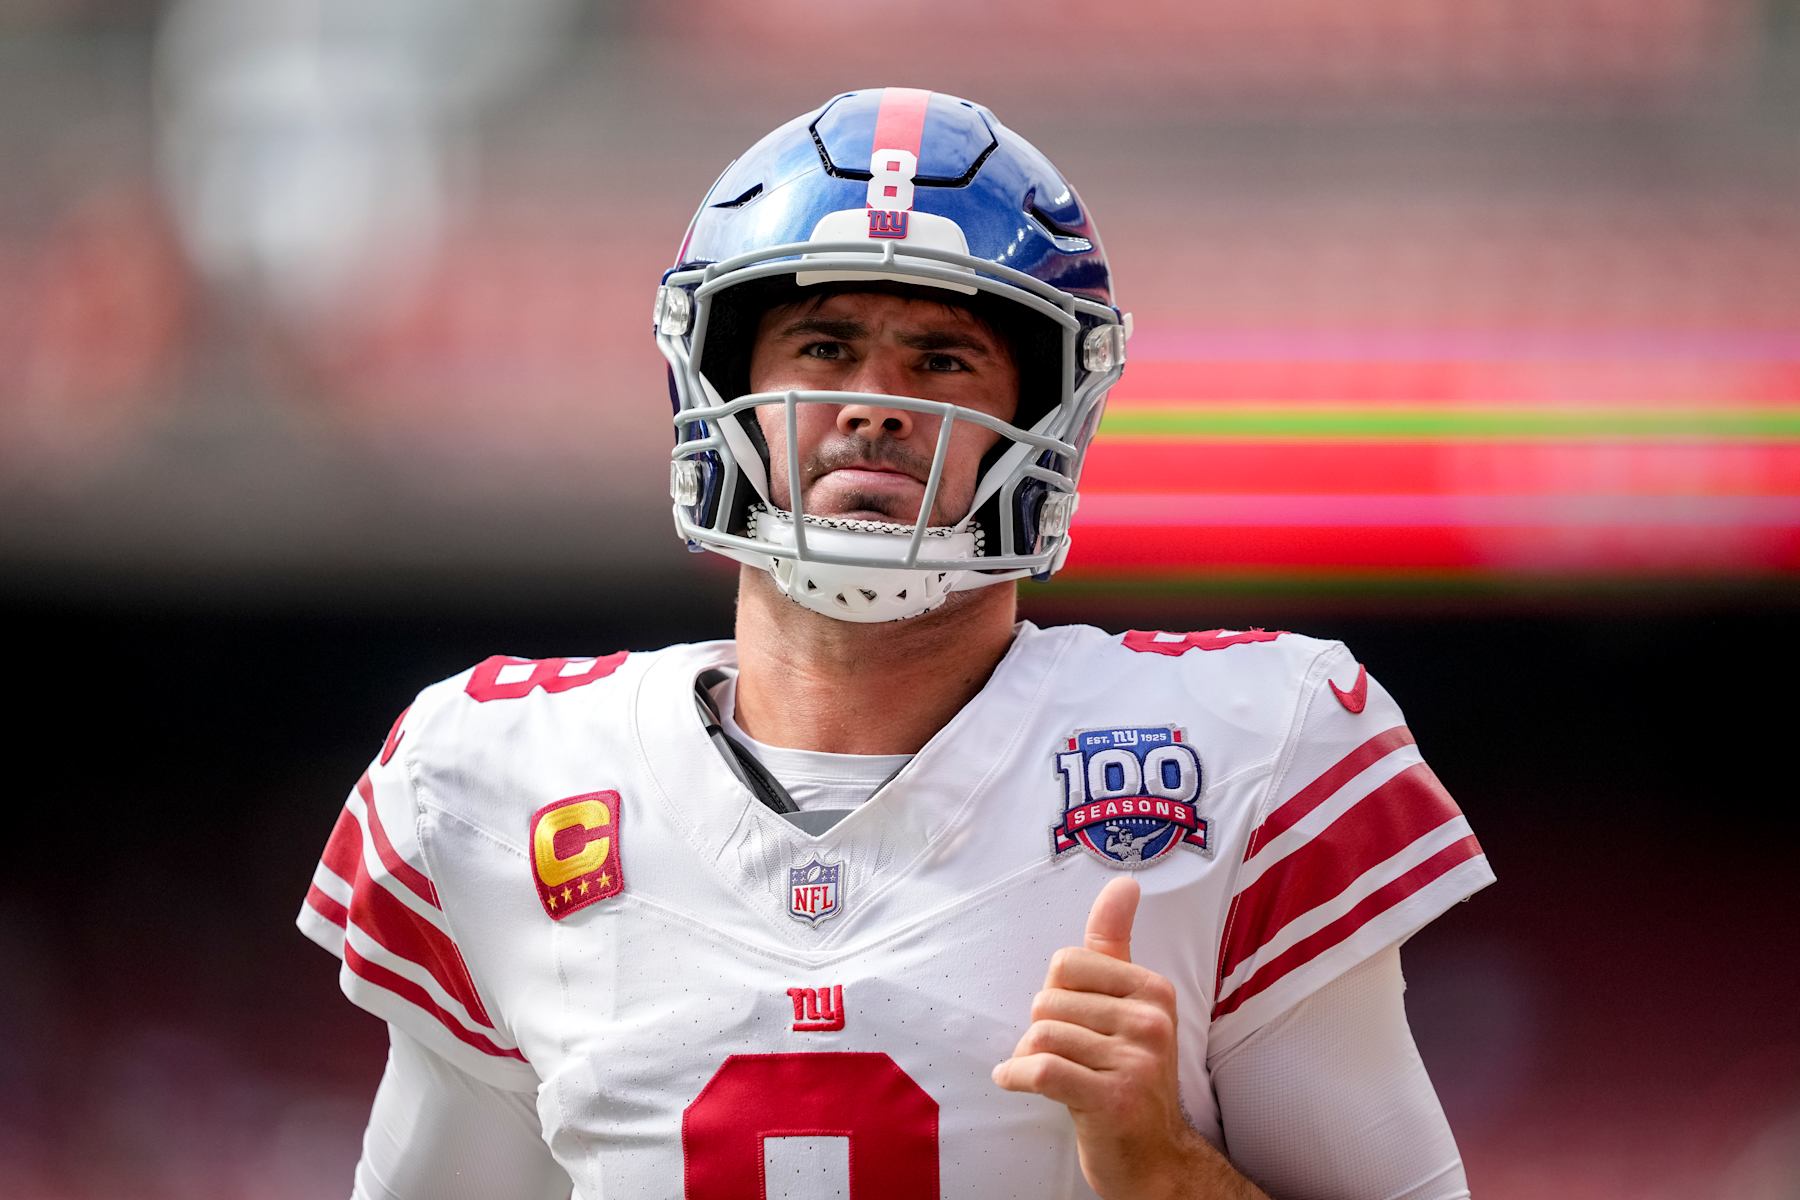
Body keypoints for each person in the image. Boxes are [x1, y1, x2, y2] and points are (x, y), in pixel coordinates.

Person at [299, 87, 1494, 1200]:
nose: (877, 400)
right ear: (722, 387)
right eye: (823, 347)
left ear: (1035, 421)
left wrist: (1165, 1168)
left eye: (942, 359)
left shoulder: (1245, 754)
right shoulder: (498, 778)